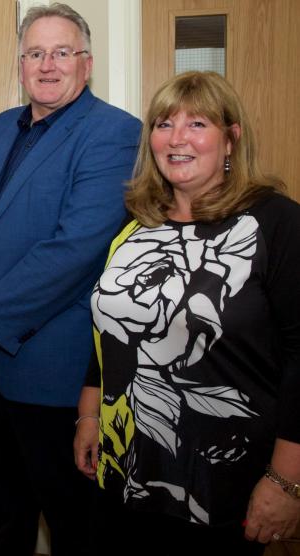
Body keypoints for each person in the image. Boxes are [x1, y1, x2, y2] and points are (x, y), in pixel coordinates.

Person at [0, 4, 141, 555]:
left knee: (73, 523)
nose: (47, 65)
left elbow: (76, 249)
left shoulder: (115, 133)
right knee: (7, 516)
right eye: (35, 53)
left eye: (61, 52)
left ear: (87, 63)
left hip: (53, 371)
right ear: (21, 64)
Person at [73, 71, 300, 555]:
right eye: (164, 123)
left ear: (231, 139)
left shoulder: (275, 223)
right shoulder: (135, 223)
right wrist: (89, 416)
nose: (177, 138)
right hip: (125, 464)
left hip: (223, 476)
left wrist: (286, 482)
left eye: (197, 123)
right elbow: (110, 330)